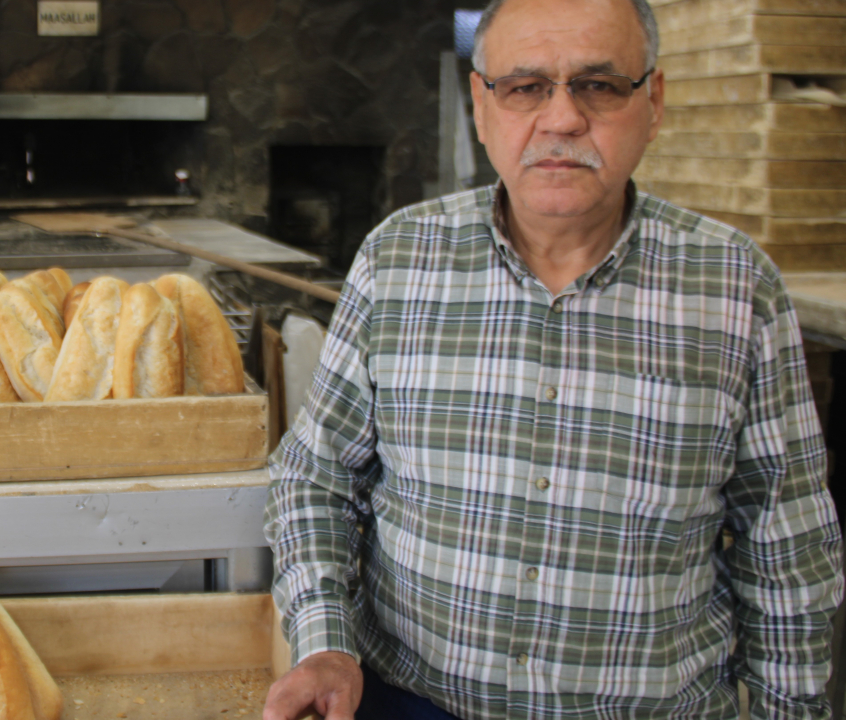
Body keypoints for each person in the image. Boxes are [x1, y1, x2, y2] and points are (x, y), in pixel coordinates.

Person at [261, 0, 844, 716]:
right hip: (411, 702)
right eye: (526, 86)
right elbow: (317, 475)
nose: (563, 118)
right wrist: (324, 642)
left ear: (652, 101)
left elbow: (786, 541)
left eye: (599, 85)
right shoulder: (397, 261)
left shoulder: (734, 287)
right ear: (482, 105)